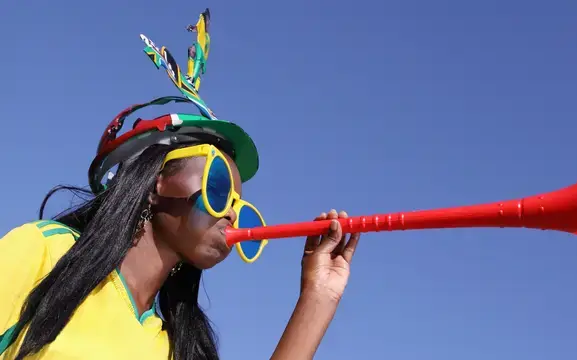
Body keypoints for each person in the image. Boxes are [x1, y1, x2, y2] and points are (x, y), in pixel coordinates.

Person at [0, 139, 362, 360]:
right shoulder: (47, 252)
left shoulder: (175, 347)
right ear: (156, 184)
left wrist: (319, 294)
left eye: (239, 203)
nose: (233, 212)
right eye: (219, 187)